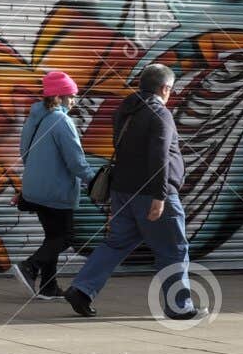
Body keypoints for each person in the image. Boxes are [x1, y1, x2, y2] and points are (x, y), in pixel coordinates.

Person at [64, 63, 205, 321]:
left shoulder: (125, 109)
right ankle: (179, 306)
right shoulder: (159, 114)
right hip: (150, 193)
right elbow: (160, 157)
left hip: (122, 190)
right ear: (164, 88)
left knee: (117, 243)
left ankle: (82, 289)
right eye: (170, 90)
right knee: (173, 248)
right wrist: (161, 196)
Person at [10, 70, 95, 299]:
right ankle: (30, 266)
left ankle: (48, 287)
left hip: (35, 190)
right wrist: (95, 181)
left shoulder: (35, 118)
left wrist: (31, 182)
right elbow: (75, 161)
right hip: (55, 191)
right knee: (65, 237)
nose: (75, 100)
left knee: (52, 237)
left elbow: (24, 153)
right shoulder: (62, 121)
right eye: (72, 95)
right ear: (60, 96)